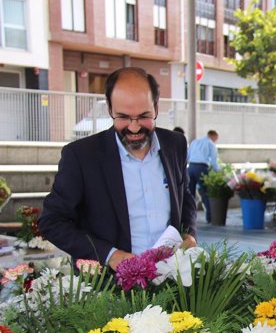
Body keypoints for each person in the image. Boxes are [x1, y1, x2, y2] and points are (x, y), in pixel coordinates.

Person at [39, 67, 197, 269]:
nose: (134, 127)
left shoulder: (176, 144)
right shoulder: (81, 156)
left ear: (156, 107)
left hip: (171, 277)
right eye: (123, 117)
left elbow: (184, 196)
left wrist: (189, 234)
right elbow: (52, 222)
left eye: (143, 116)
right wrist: (110, 256)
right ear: (109, 108)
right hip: (109, 288)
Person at [187, 130, 220, 223]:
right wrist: (219, 172)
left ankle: (189, 218)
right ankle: (209, 217)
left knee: (189, 194)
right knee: (206, 193)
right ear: (213, 136)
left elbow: (187, 156)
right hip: (201, 168)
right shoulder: (210, 144)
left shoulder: (194, 142)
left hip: (190, 167)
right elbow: (214, 161)